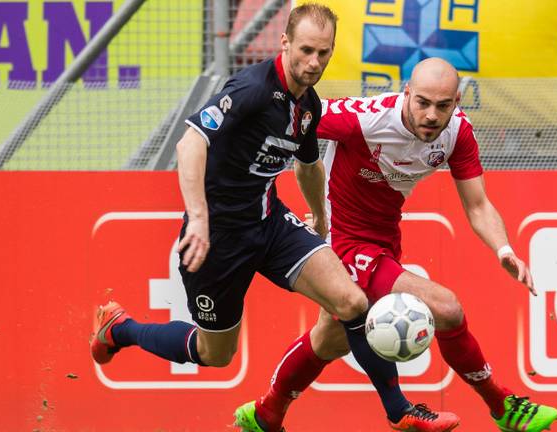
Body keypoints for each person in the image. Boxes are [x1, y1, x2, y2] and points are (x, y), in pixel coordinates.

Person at [88, 5, 437, 431]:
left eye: (323, 53)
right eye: (306, 50)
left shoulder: (308, 105)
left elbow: (308, 166)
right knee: (215, 354)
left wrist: (322, 224)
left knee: (352, 302)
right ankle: (119, 329)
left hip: (271, 224)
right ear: (285, 43)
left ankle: (399, 411)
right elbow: (190, 143)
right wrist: (198, 218)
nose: (314, 62)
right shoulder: (252, 87)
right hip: (219, 241)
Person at [241, 58, 557, 432]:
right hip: (342, 241)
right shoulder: (364, 118)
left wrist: (504, 250)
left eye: (443, 106)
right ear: (406, 93)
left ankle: (266, 413)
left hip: (384, 237)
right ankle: (502, 405)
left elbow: (477, 205)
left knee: (331, 339)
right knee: (446, 308)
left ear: (457, 101)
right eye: (422, 102)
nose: (431, 115)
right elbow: (290, 120)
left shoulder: (457, 133)